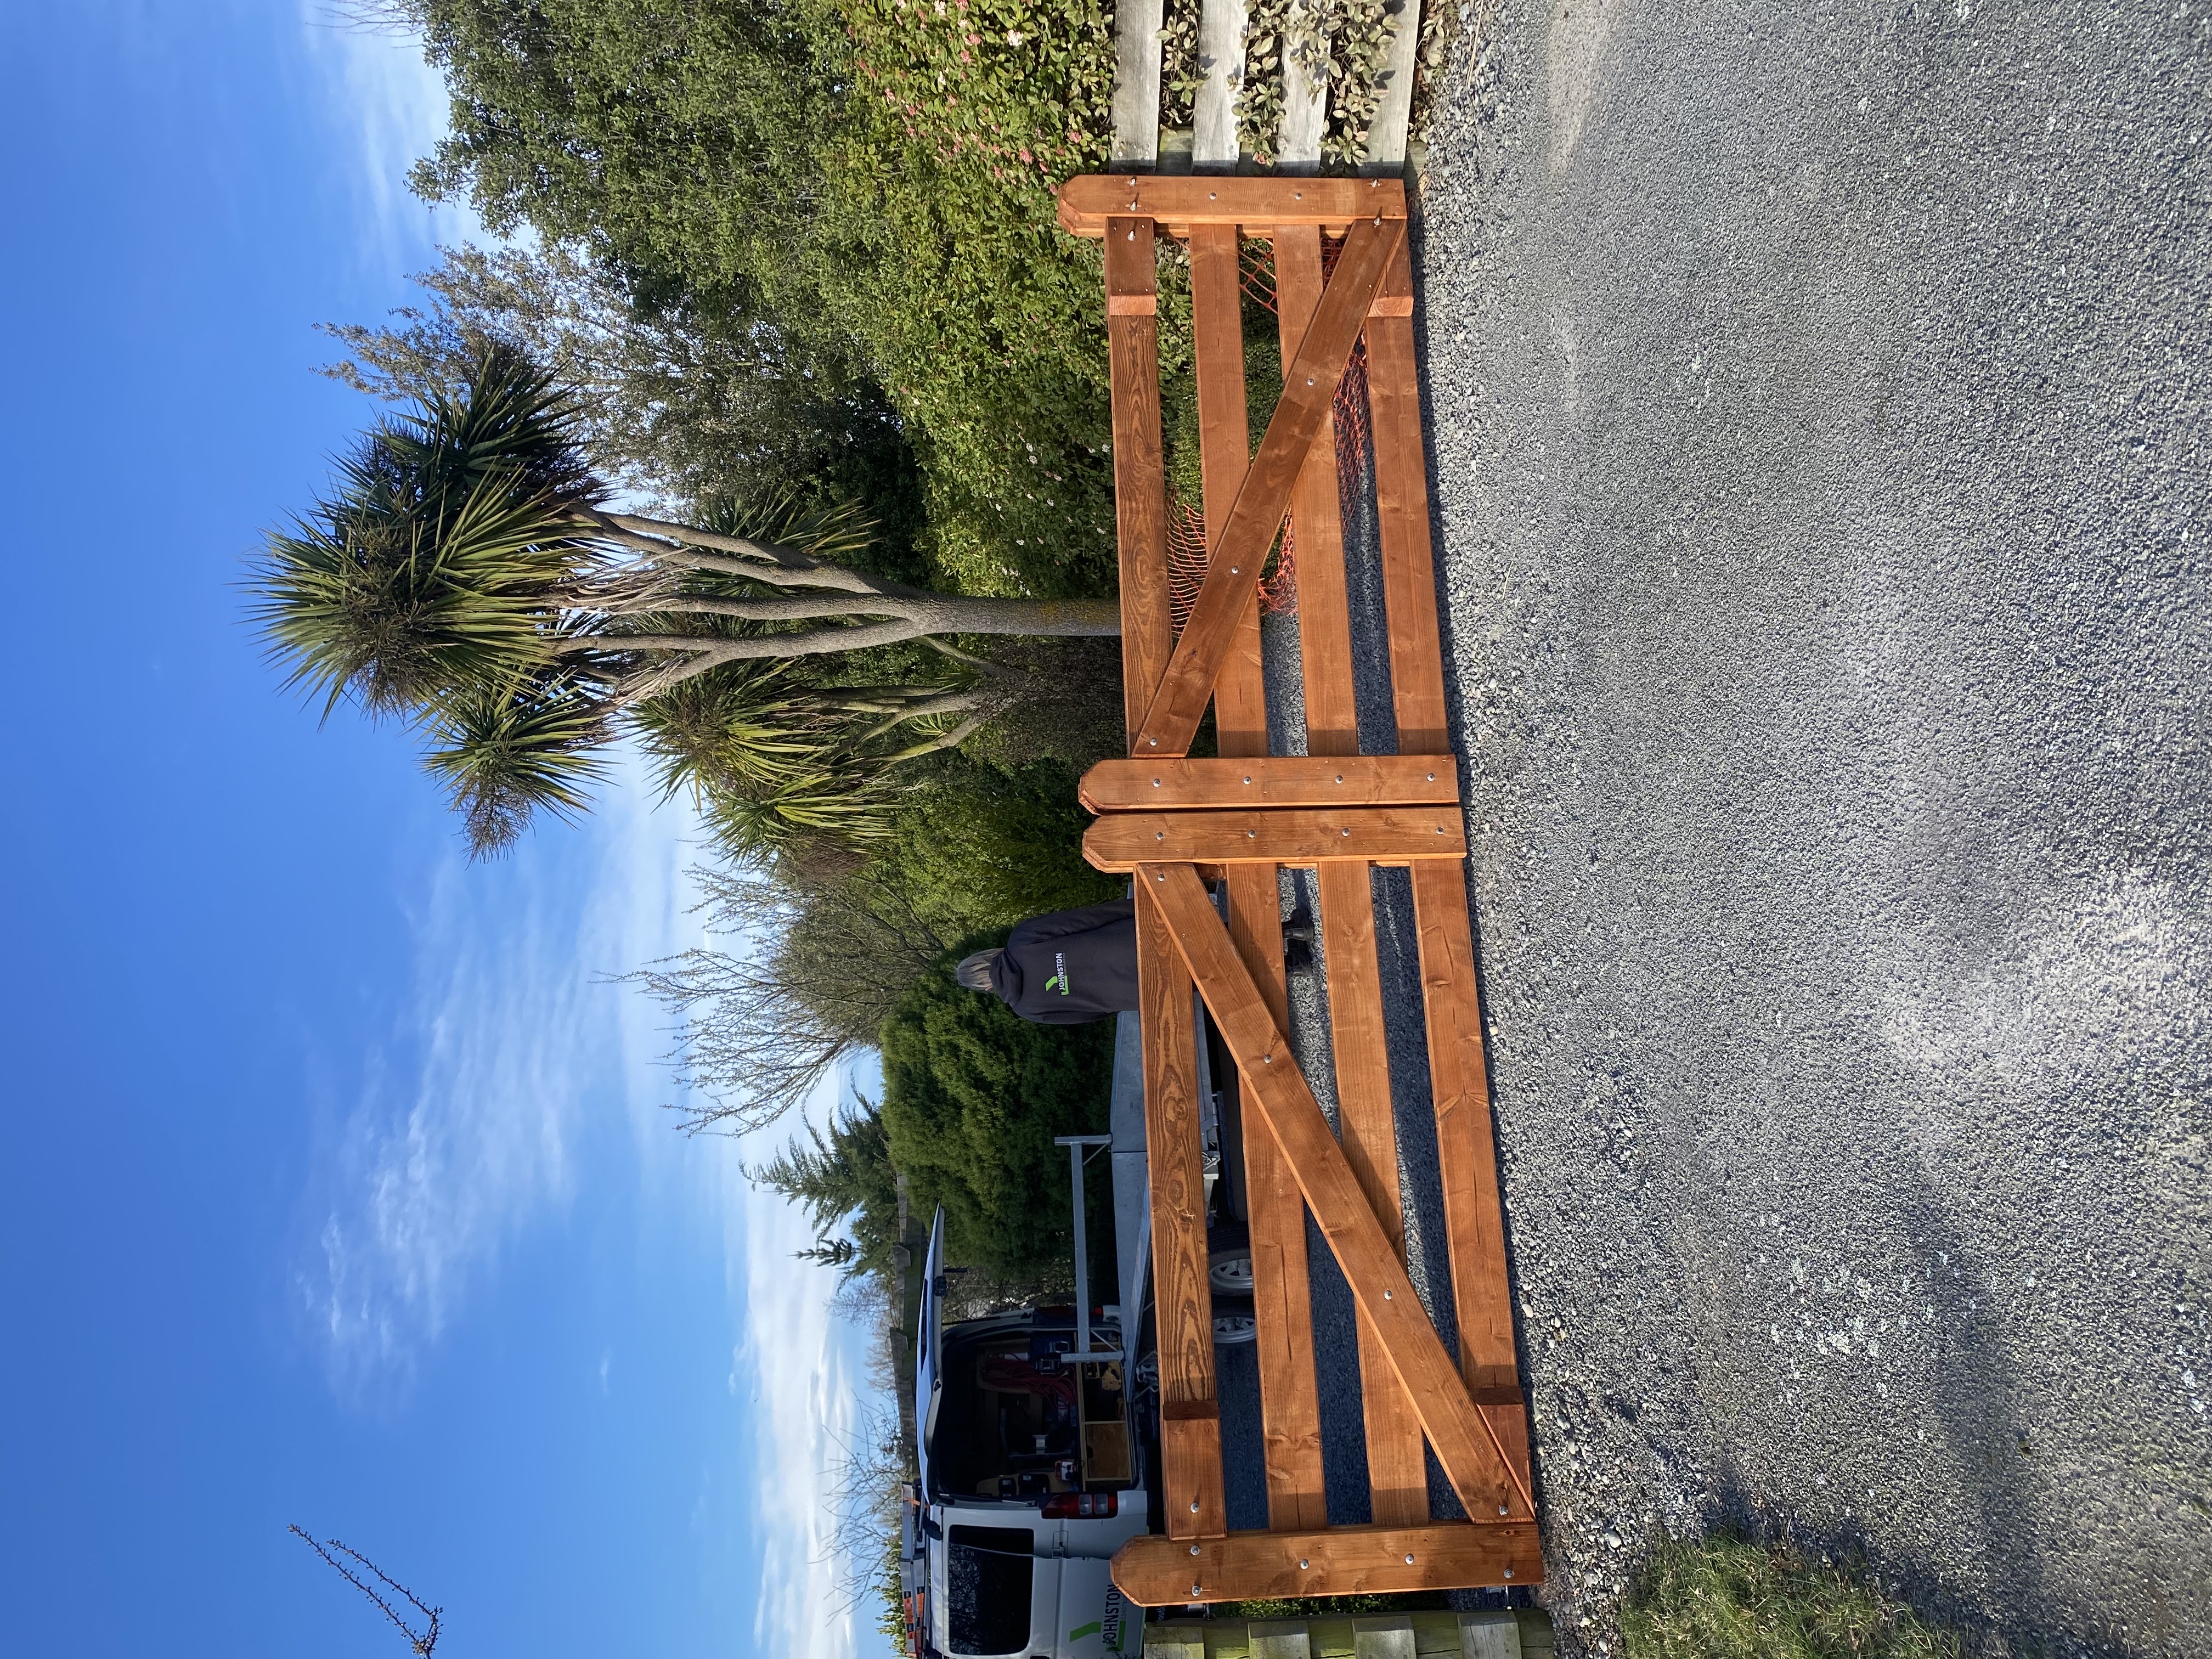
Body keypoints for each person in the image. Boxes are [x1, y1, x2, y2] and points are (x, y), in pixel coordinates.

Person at [955, 898, 1137, 1024]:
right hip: (1137, 938)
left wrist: (1123, 1000)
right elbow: (1087, 918)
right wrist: (1138, 908)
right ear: (987, 955)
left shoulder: (1028, 1010)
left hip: (1140, 993)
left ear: (986, 988)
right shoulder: (1021, 939)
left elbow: (1088, 1016)